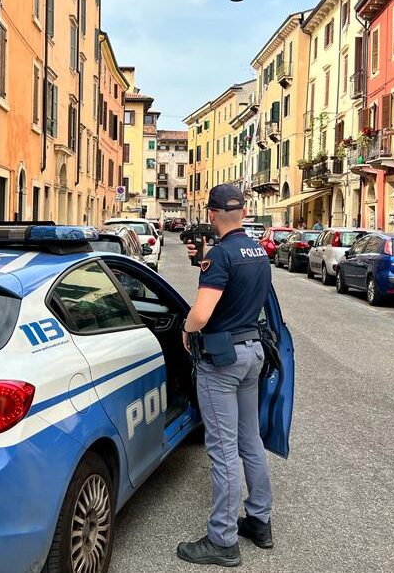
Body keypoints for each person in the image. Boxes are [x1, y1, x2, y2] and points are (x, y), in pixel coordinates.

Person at [177, 183, 274, 568]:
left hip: (222, 360)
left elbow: (202, 314)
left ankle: (222, 539)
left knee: (222, 449)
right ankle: (260, 521)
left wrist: (186, 328)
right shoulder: (258, 252)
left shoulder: (219, 257)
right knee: (250, 439)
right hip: (253, 353)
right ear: (244, 214)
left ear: (213, 215)